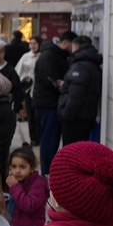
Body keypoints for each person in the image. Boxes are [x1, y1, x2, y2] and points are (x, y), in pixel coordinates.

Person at [33, 31, 76, 176]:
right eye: (72, 46)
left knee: (51, 138)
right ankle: (47, 173)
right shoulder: (49, 56)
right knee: (49, 139)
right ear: (66, 43)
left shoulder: (54, 54)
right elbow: (50, 80)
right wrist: (63, 87)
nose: (73, 50)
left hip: (49, 102)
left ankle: (49, 171)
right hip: (48, 103)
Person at [58, 35, 102, 145]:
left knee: (71, 153)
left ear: (76, 47)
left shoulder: (80, 66)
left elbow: (76, 96)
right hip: (86, 116)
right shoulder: (92, 63)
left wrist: (66, 115)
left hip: (76, 119)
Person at [5, 147, 48, 226]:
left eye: (22, 167)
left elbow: (29, 205)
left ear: (32, 168)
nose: (17, 171)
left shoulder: (38, 184)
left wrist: (15, 187)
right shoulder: (13, 181)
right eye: (14, 166)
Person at [15, 36, 42, 146]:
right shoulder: (26, 56)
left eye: (35, 43)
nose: (33, 46)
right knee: (30, 114)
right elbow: (18, 71)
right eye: (31, 44)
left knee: (38, 115)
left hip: (39, 89)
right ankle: (33, 138)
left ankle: (39, 136)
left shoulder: (42, 56)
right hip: (27, 88)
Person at [0, 44, 24, 113]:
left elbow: (17, 90)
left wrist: (16, 107)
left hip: (7, 107)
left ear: (2, 55)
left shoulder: (10, 71)